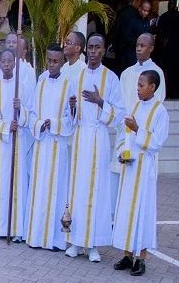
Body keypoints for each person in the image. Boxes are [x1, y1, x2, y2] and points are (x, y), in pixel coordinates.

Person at [65, 33, 124, 262]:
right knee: (78, 189)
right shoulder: (77, 77)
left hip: (99, 137)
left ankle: (93, 245)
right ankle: (77, 242)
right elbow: (70, 115)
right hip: (81, 136)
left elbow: (119, 114)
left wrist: (101, 102)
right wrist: (72, 108)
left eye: (97, 48)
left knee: (97, 189)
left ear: (103, 50)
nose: (92, 51)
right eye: (90, 47)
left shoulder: (111, 78)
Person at [111, 70, 168, 277]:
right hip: (130, 167)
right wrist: (120, 153)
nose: (137, 88)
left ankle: (141, 259)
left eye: (141, 85)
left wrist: (137, 129)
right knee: (126, 212)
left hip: (144, 169)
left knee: (141, 214)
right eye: (137, 85)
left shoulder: (160, 111)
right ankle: (127, 255)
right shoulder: (134, 106)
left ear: (152, 87)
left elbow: (157, 142)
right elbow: (124, 136)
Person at [26, 44, 73, 251]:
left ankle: (55, 239)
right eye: (49, 61)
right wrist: (38, 124)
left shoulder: (68, 85)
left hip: (57, 144)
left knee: (56, 190)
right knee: (39, 189)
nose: (52, 65)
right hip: (42, 144)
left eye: (56, 61)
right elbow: (32, 113)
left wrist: (53, 124)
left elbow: (70, 118)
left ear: (62, 61)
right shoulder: (41, 82)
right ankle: (36, 236)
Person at [112, 32, 165, 216]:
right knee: (122, 184)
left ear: (151, 48)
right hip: (126, 133)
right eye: (137, 45)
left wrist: (138, 129)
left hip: (144, 139)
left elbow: (155, 105)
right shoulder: (127, 73)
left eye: (143, 45)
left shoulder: (156, 73)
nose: (139, 48)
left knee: (141, 191)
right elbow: (120, 103)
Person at [0, 49, 34, 241]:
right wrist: (7, 126)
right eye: (3, 62)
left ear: (15, 64)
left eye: (9, 61)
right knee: (1, 183)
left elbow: (30, 114)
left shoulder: (22, 87)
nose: (6, 65)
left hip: (18, 142)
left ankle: (16, 230)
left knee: (17, 184)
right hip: (2, 142)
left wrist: (19, 111)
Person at [156, 0, 179, 98]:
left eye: (173, 4)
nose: (171, 5)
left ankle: (173, 92)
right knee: (164, 71)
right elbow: (159, 31)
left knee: (174, 72)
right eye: (170, 3)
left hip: (175, 49)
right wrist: (162, 40)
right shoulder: (164, 17)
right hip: (164, 50)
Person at [120, 0, 152, 70]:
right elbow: (126, 36)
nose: (146, 13)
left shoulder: (147, 21)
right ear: (139, 8)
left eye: (148, 11)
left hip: (143, 54)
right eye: (144, 10)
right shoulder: (132, 21)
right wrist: (139, 43)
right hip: (132, 53)